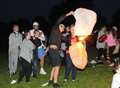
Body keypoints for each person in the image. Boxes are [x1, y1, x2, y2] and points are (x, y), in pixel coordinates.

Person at [47, 12, 74, 88]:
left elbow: (66, 39)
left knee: (54, 66)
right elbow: (60, 18)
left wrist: (73, 40)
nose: (63, 29)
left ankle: (50, 80)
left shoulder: (60, 34)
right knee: (58, 66)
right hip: (53, 50)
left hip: (53, 51)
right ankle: (55, 83)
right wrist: (69, 14)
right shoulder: (55, 28)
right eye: (63, 28)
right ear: (60, 26)